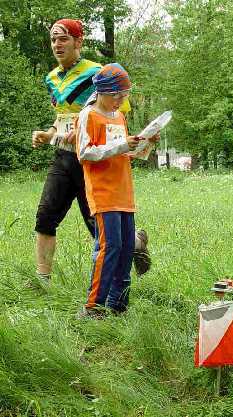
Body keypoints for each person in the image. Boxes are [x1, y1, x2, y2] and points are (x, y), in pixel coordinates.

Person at [32, 19, 149, 282]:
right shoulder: (51, 78)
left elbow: (119, 112)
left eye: (63, 38)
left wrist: (89, 130)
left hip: (94, 161)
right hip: (63, 156)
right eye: (53, 39)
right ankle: (42, 282)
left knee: (100, 228)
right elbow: (61, 116)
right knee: (45, 217)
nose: (57, 45)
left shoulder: (98, 73)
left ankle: (135, 244)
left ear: (78, 41)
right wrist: (49, 134)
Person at [75, 63, 159, 315]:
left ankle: (118, 305)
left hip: (124, 192)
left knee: (125, 249)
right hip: (103, 193)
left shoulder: (119, 116)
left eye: (125, 96)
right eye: (117, 96)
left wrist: (145, 144)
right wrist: (122, 146)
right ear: (102, 92)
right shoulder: (88, 116)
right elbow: (85, 153)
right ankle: (93, 307)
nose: (122, 101)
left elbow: (124, 153)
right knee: (109, 248)